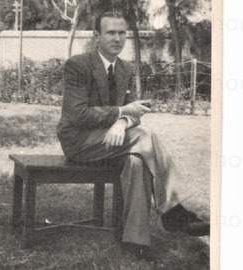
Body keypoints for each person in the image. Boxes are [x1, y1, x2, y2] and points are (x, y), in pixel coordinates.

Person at [56, 11, 209, 260]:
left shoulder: (125, 68)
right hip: (80, 143)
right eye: (111, 32)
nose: (118, 38)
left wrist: (122, 122)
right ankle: (173, 210)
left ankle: (135, 241)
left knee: (137, 161)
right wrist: (122, 112)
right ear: (97, 36)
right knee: (145, 136)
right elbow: (78, 115)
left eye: (122, 33)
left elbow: (135, 111)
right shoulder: (78, 65)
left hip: (115, 141)